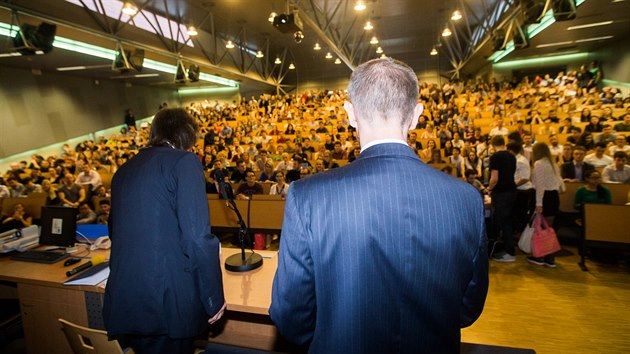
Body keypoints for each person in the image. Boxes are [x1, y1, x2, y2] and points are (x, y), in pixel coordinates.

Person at [270, 58, 488, 353]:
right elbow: (467, 308)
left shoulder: (307, 196)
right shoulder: (466, 199)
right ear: (416, 115)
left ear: (350, 113)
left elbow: (291, 315)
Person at [103, 108, 225, 354]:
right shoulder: (184, 162)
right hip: (166, 298)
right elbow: (196, 238)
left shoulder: (124, 169)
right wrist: (213, 297)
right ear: (188, 134)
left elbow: (115, 230)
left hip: (127, 296)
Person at [528, 142, 563, 268]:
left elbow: (540, 186)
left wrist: (538, 203)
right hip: (553, 196)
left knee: (541, 229)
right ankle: (549, 258)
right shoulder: (553, 164)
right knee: (549, 229)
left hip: (544, 198)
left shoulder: (539, 164)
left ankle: (540, 256)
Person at [488, 135, 517, 262]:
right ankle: (507, 249)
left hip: (501, 193)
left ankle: (510, 252)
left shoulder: (495, 157)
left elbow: (495, 178)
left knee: (503, 223)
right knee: (507, 222)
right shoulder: (512, 156)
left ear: (493, 144)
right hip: (511, 191)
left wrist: (489, 188)